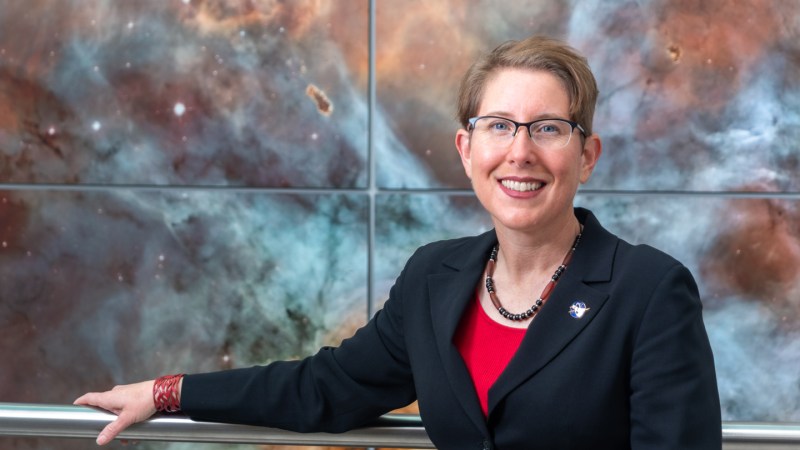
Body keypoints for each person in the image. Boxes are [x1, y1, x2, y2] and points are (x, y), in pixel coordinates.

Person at [75, 35, 722, 449]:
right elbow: (323, 388)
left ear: (587, 155)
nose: (520, 152)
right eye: (499, 126)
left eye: (549, 128)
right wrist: (165, 394)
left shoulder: (647, 291)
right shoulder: (434, 278)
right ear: (467, 150)